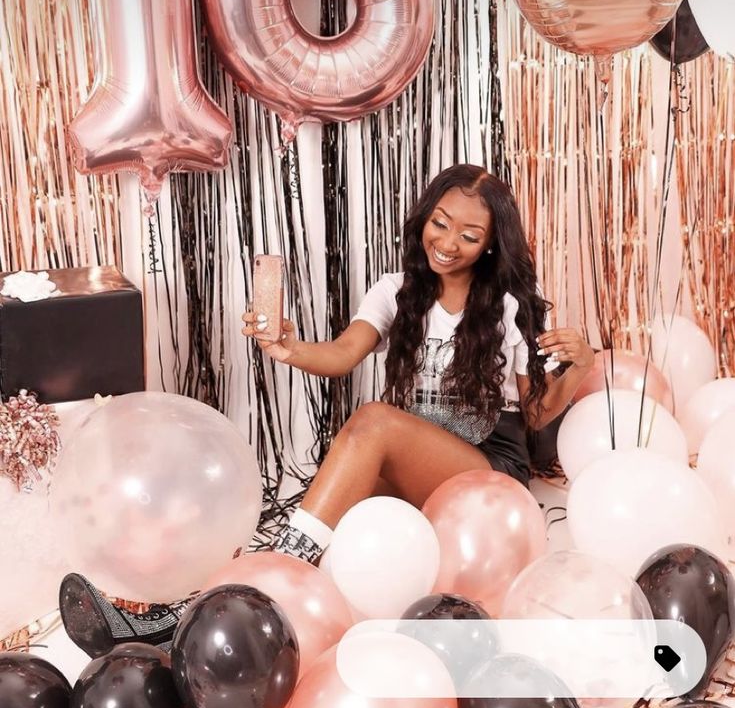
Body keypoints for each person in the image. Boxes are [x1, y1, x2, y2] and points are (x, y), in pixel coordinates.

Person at [59, 164, 594, 655]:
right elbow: (342, 354)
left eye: (470, 236)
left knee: (372, 423)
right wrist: (288, 348)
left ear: (492, 246)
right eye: (440, 223)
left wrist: (580, 364)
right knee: (326, 510)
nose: (448, 244)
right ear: (424, 218)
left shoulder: (508, 306)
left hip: (487, 474)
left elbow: (537, 414)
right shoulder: (398, 292)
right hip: (418, 470)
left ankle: (236, 592)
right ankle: (184, 611)